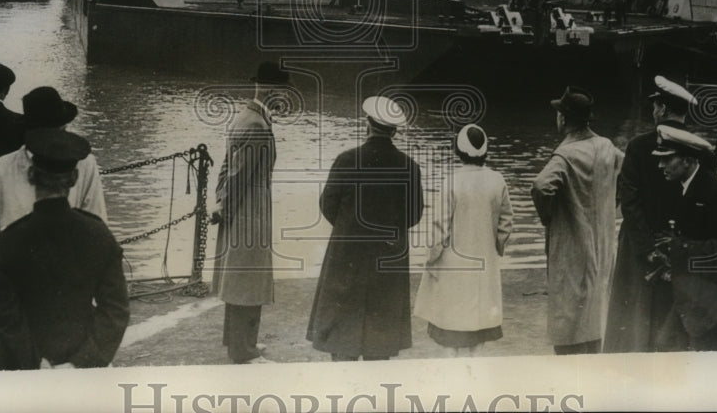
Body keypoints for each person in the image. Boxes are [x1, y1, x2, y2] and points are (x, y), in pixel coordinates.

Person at [0, 86, 107, 370]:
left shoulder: (85, 165)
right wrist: (5, 299)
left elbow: (96, 230)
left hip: (66, 308)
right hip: (9, 309)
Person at [0, 128, 129, 370]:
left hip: (20, 370)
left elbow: (3, 316)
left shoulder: (10, 240)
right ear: (74, 178)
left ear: (31, 175)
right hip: (83, 368)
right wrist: (81, 362)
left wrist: (35, 363)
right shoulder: (99, 235)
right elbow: (116, 310)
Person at [307, 96, 424, 361]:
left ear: (367, 124)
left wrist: (350, 227)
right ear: (394, 131)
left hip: (347, 253)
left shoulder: (346, 160)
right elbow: (414, 215)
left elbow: (328, 205)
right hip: (388, 255)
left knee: (342, 332)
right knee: (380, 338)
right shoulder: (410, 167)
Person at [605, 76, 697, 353]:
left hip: (638, 245)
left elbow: (629, 203)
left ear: (663, 109)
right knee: (673, 322)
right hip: (680, 244)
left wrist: (647, 249)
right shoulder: (699, 148)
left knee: (632, 320)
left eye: (656, 106)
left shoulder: (638, 146)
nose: (653, 111)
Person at [531, 86, 623, 355]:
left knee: (568, 313)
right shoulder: (606, 146)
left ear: (563, 119)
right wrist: (613, 205)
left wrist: (550, 216)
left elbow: (540, 186)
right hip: (602, 243)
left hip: (572, 246)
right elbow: (629, 171)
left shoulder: (566, 155)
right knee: (595, 311)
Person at [210, 61, 290, 364]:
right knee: (247, 280)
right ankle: (243, 351)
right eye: (283, 91)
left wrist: (221, 203)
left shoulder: (247, 117)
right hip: (249, 213)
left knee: (241, 279)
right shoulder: (256, 125)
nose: (285, 98)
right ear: (271, 90)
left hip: (243, 209)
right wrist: (227, 208)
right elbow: (239, 175)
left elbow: (227, 168)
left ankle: (240, 343)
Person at [650, 125, 717, 351]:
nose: (660, 166)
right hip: (705, 288)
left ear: (688, 161)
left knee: (716, 356)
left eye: (667, 159)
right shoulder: (690, 187)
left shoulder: (715, 197)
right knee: (670, 345)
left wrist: (678, 246)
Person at [414, 124, 513, 356]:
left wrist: (431, 259)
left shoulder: (451, 181)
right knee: (479, 324)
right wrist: (496, 246)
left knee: (452, 326)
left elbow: (439, 229)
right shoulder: (497, 180)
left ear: (458, 151)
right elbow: (506, 221)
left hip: (454, 263)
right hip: (483, 261)